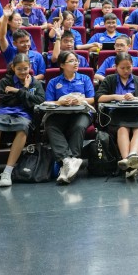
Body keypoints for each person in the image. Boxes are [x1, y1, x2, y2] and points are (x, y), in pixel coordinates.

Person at [0, 54, 45, 188]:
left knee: (23, 127)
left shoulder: (35, 82)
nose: (23, 72)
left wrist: (18, 91)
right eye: (19, 69)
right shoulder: (5, 81)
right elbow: (7, 100)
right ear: (13, 67)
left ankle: (7, 171)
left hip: (23, 114)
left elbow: (40, 100)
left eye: (25, 69)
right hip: (3, 112)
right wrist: (25, 92)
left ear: (29, 67)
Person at [95, 53, 138, 179]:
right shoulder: (109, 79)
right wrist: (116, 96)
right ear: (116, 67)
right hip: (118, 113)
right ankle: (130, 163)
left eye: (129, 67)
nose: (126, 71)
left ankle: (131, 157)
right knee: (122, 128)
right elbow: (99, 97)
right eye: (122, 68)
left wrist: (135, 98)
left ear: (132, 66)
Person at [44, 51, 95, 185]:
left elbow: (92, 99)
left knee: (79, 126)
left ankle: (67, 164)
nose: (76, 63)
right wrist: (59, 102)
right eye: (71, 61)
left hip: (81, 113)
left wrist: (80, 100)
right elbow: (48, 102)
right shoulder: (54, 82)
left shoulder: (85, 79)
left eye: (76, 60)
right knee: (50, 125)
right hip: (60, 113)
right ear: (62, 65)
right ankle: (68, 160)